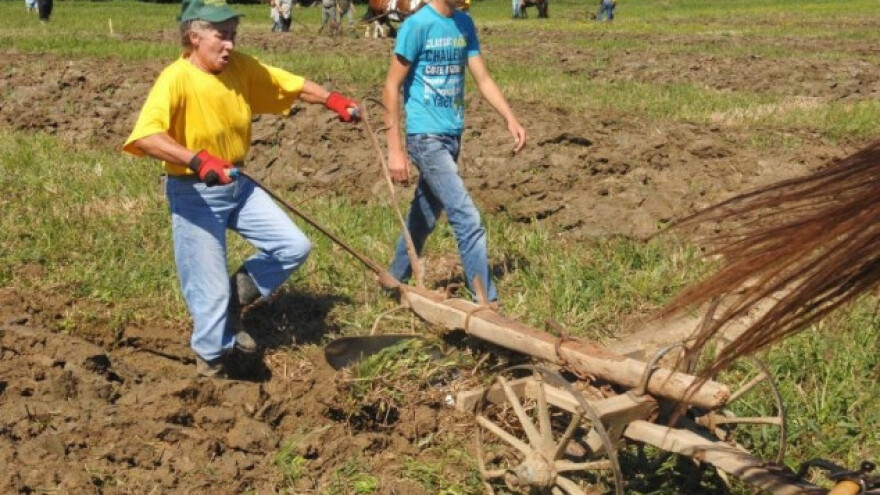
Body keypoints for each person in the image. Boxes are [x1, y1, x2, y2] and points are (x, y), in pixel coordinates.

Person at [122, 0, 359, 378]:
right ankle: (212, 366)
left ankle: (234, 300)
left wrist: (331, 100)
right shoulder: (176, 78)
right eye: (221, 35)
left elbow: (290, 84)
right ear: (193, 36)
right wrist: (197, 160)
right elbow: (147, 135)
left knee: (293, 246)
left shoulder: (241, 68)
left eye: (232, 35)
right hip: (194, 192)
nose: (229, 44)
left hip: (237, 184)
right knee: (207, 292)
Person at [382, 0, 527, 305]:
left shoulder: (464, 24)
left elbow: (483, 78)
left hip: (452, 136)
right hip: (425, 137)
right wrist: (394, 149)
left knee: (423, 216)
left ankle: (394, 279)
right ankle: (486, 302)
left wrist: (510, 118)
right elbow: (391, 85)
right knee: (466, 217)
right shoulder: (416, 25)